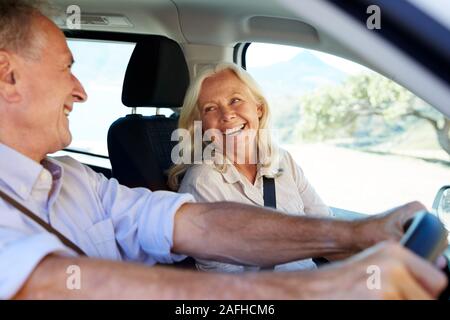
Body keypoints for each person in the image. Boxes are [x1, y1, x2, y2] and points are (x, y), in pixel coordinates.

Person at [0, 0, 447, 300]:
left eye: (237, 102)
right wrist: (329, 287)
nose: (80, 91)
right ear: (8, 74)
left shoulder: (77, 179)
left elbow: (195, 223)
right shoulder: (205, 176)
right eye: (67, 68)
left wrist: (358, 235)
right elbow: (44, 285)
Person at [170, 63, 335, 273]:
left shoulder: (282, 160)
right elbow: (226, 280)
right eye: (210, 108)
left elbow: (327, 232)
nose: (227, 115)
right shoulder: (202, 182)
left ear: (258, 108)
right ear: (202, 124)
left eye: (235, 100)